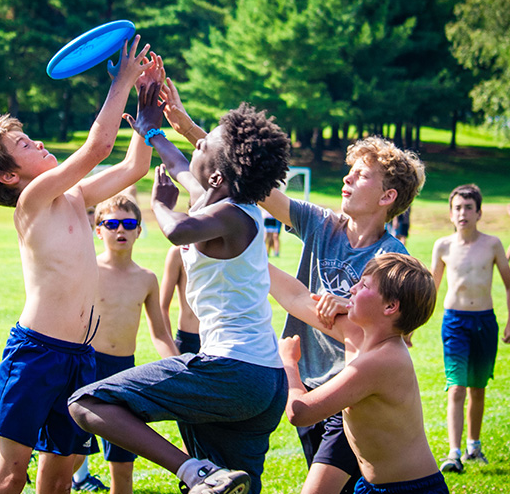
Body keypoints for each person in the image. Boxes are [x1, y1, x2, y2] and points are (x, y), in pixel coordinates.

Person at [158, 77, 426, 494]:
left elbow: (401, 331)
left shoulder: (393, 261)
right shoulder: (323, 224)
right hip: (305, 379)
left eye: (361, 176)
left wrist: (348, 307)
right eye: (349, 172)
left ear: (388, 196)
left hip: (349, 389)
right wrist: (192, 131)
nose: (347, 179)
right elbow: (258, 185)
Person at [0, 36, 160, 494]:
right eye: (26, 144)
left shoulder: (75, 198)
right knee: (10, 476)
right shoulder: (32, 201)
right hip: (36, 355)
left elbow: (134, 167)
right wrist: (122, 81)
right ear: (11, 176)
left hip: (80, 357)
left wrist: (148, 111)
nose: (39, 142)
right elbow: (97, 147)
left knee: (60, 473)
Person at [69, 100, 291, 494]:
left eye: (204, 146)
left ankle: (192, 470)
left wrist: (157, 205)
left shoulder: (232, 214)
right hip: (264, 380)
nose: (197, 146)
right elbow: (178, 164)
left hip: (232, 370)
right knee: (231, 487)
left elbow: (177, 230)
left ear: (218, 177)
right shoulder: (221, 199)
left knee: (87, 404)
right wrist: (150, 128)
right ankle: (208, 476)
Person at [271, 253, 449, 494]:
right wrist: (252, 257)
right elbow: (297, 298)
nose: (351, 289)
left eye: (364, 285)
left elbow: (300, 412)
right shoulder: (358, 334)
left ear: (390, 306)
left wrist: (288, 363)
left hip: (410, 489)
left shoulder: (383, 360)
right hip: (370, 485)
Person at [83, 194, 180, 494]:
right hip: (86, 369)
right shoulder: (87, 270)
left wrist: (179, 366)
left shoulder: (146, 279)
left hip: (123, 373)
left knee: (123, 469)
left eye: (128, 224)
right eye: (111, 224)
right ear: (98, 230)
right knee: (69, 458)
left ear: (139, 230)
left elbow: (161, 334)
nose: (120, 230)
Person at [431, 184, 510, 473]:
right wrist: (411, 325)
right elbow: (432, 289)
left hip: (485, 322)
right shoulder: (443, 245)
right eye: (457, 208)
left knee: (478, 388)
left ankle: (473, 447)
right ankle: (453, 453)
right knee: (456, 388)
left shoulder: (493, 244)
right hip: (454, 323)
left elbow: (509, 283)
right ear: (450, 214)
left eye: (468, 207)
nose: (462, 213)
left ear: (479, 213)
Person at [160, 244, 200, 354]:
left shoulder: (227, 250)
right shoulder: (180, 252)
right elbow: (162, 307)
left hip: (219, 341)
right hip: (189, 341)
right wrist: (170, 350)